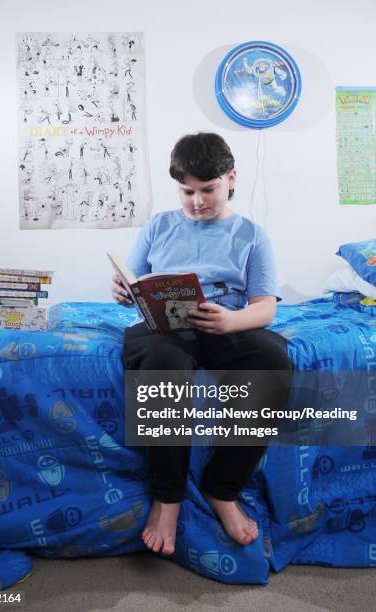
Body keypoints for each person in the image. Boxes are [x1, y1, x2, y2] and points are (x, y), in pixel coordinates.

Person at [111, 132, 293, 556]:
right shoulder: (158, 225)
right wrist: (122, 292)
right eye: (186, 191)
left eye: (207, 189)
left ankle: (221, 488)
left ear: (231, 179)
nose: (196, 200)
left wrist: (231, 320)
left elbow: (264, 307)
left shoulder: (251, 234)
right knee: (159, 361)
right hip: (164, 329)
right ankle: (167, 497)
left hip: (225, 325)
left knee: (273, 359)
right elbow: (132, 282)